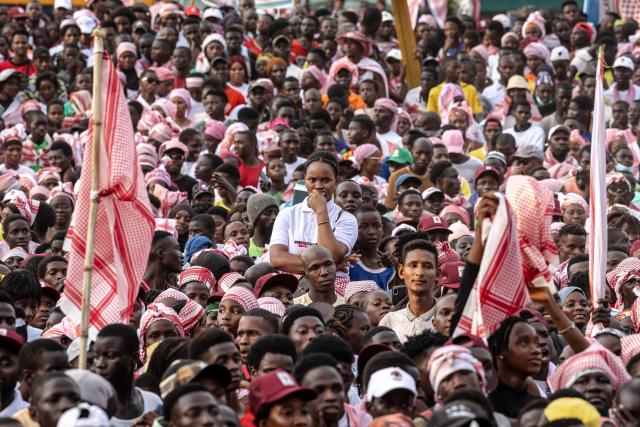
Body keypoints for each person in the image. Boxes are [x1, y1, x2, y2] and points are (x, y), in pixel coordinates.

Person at [270, 152, 358, 275]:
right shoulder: (287, 214)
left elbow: (332, 255)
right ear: (304, 181)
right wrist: (329, 265)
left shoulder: (346, 219)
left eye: (325, 180)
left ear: (336, 181)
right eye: (312, 180)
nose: (318, 186)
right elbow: (277, 259)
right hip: (294, 288)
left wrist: (321, 211)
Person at [92, 324, 163, 427]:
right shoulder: (91, 410)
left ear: (133, 359)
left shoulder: (153, 402)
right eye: (96, 356)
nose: (100, 364)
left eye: (111, 355)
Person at [379, 238, 438, 342]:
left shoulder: (447, 318)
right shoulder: (389, 321)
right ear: (401, 271)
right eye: (413, 266)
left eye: (427, 266)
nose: (419, 272)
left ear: (437, 273)